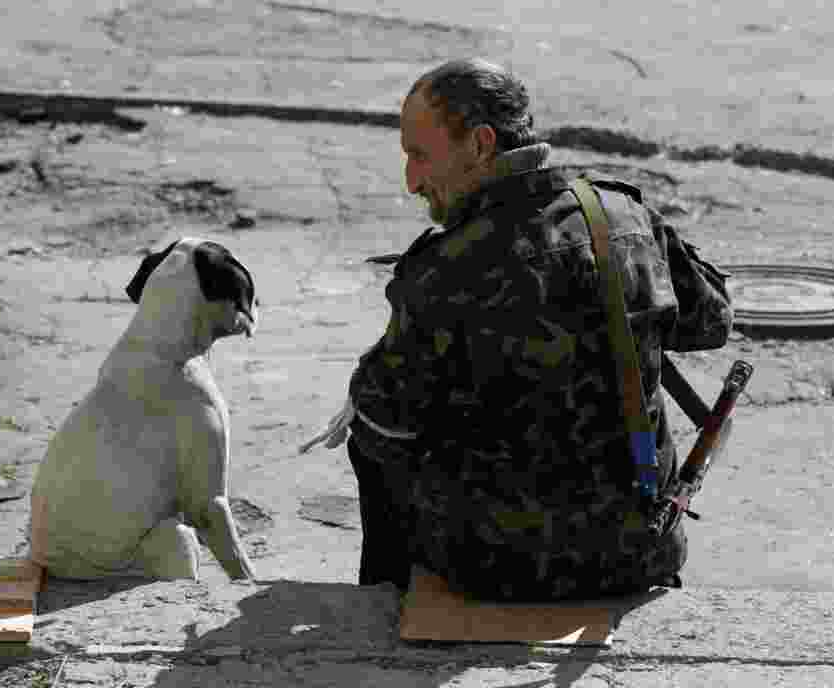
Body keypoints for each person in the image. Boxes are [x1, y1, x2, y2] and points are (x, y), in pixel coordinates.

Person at [301, 58, 733, 601]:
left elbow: (387, 426)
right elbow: (712, 320)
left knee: (367, 435)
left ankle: (390, 599)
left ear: (481, 144)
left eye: (419, 155)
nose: (411, 181)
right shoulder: (621, 217)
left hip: (498, 569)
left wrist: (368, 389)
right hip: (640, 551)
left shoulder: (443, 270)